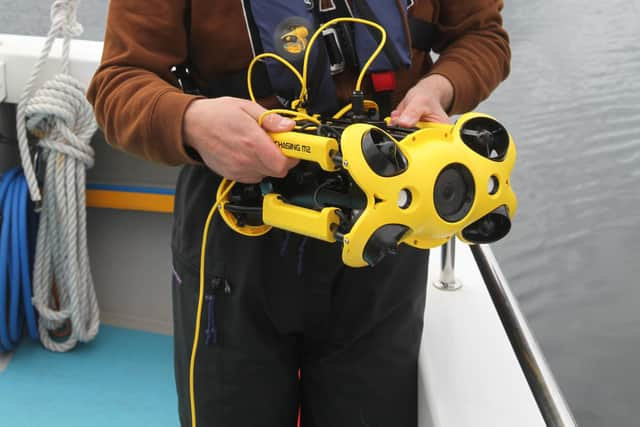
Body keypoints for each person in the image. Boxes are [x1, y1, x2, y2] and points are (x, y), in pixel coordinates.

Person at [88, 1, 510, 426]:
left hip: (387, 226)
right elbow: (117, 85)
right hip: (237, 228)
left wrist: (440, 86)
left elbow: (482, 37)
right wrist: (191, 121)